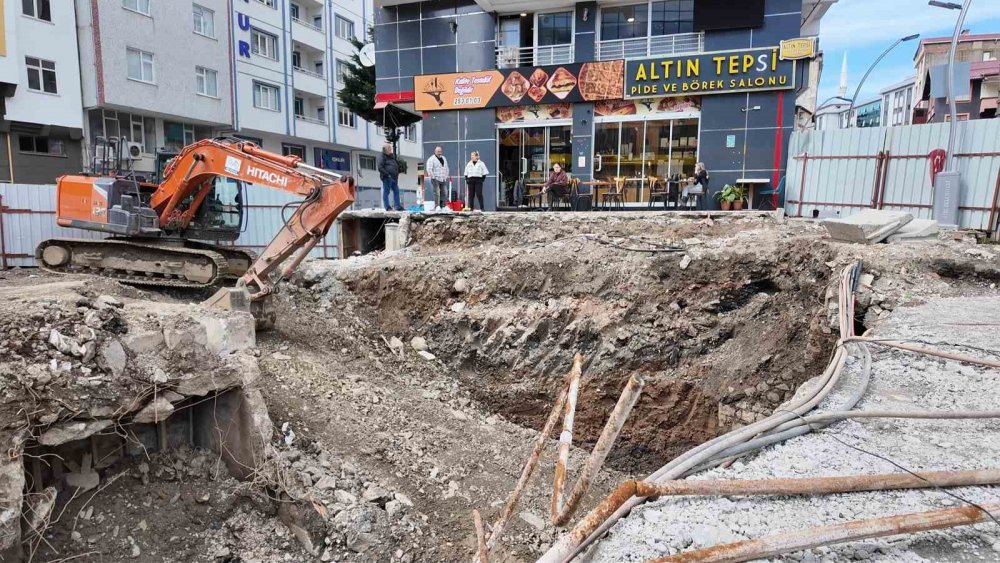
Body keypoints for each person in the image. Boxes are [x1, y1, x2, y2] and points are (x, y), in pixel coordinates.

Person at [377, 143, 403, 211]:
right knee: (386, 191)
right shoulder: (381, 156)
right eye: (389, 148)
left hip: (394, 177)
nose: (390, 150)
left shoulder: (391, 156)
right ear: (384, 150)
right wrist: (387, 174)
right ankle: (387, 207)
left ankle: (397, 206)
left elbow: (394, 165)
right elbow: (380, 167)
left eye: (390, 148)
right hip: (387, 177)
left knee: (396, 191)